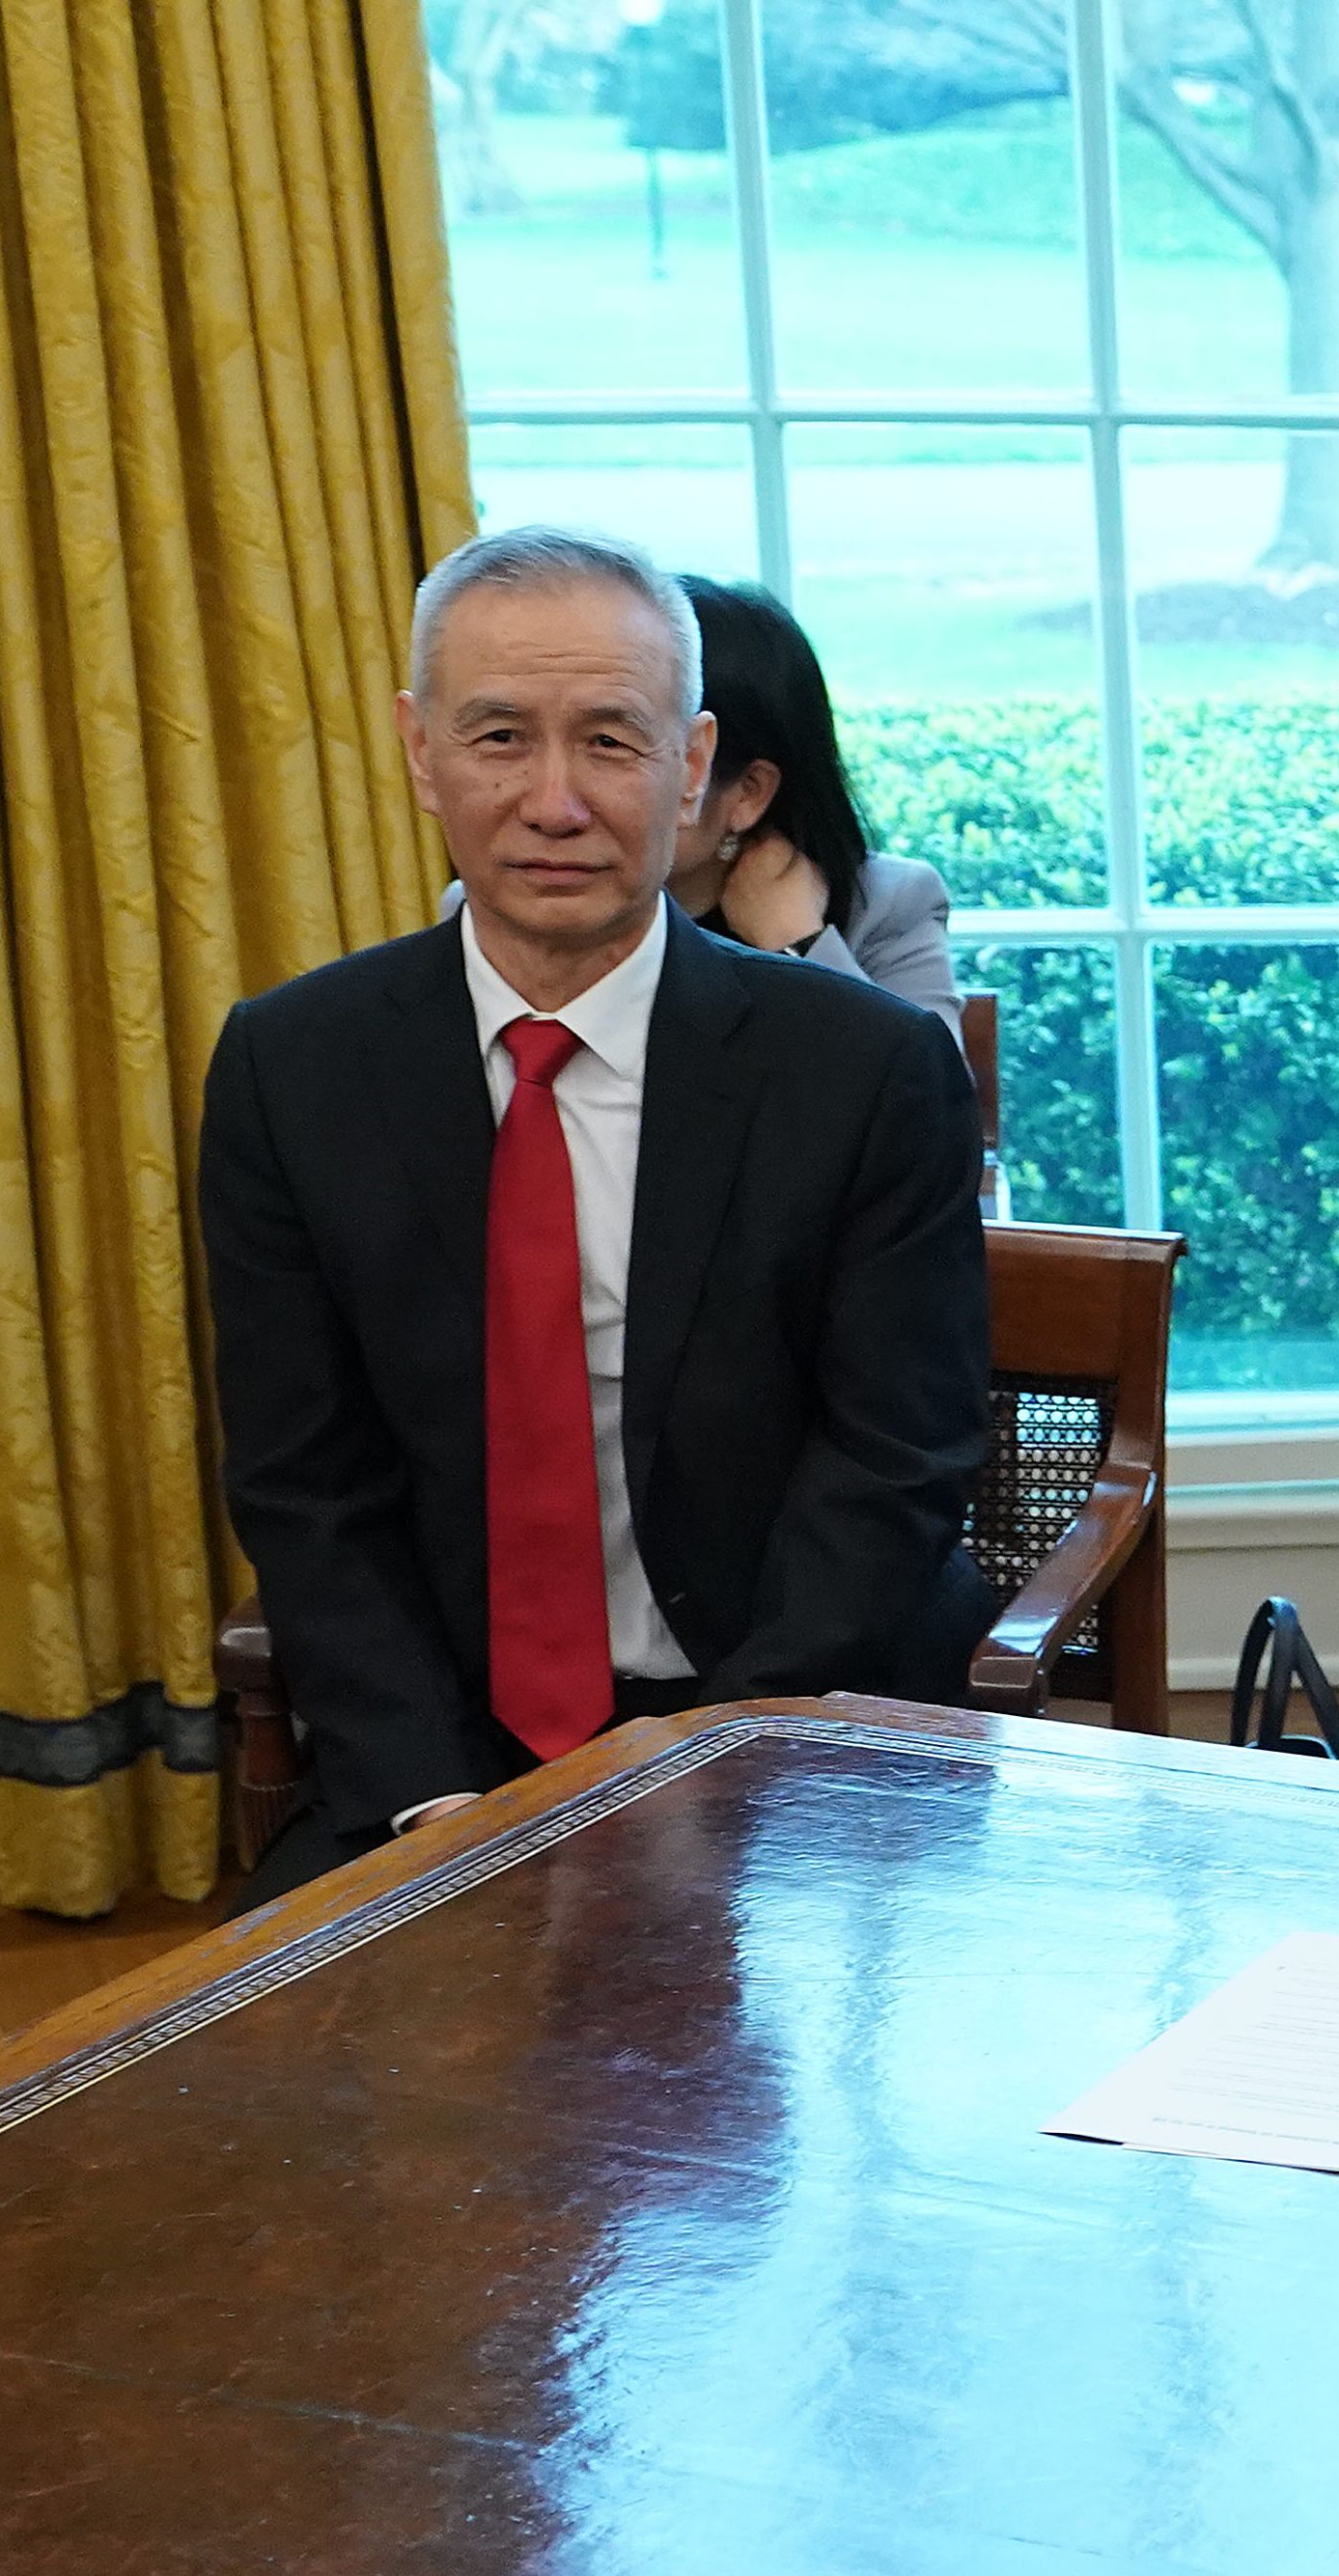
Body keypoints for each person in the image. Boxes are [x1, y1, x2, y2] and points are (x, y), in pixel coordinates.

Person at [203, 525, 991, 1901]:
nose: (553, 802)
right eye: (499, 737)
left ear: (692, 770)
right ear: (418, 750)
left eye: (611, 744)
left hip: (794, 1730)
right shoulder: (291, 1067)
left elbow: (896, 1458)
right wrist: (433, 1794)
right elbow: (307, 1483)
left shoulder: (865, 1069)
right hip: (450, 1752)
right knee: (250, 2088)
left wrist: (706, 1769)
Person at [438, 577, 955, 1027]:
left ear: (746, 791)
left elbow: (930, 1115)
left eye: (611, 746)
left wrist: (796, 945)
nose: (560, 807)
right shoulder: (508, 897)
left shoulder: (886, 904)